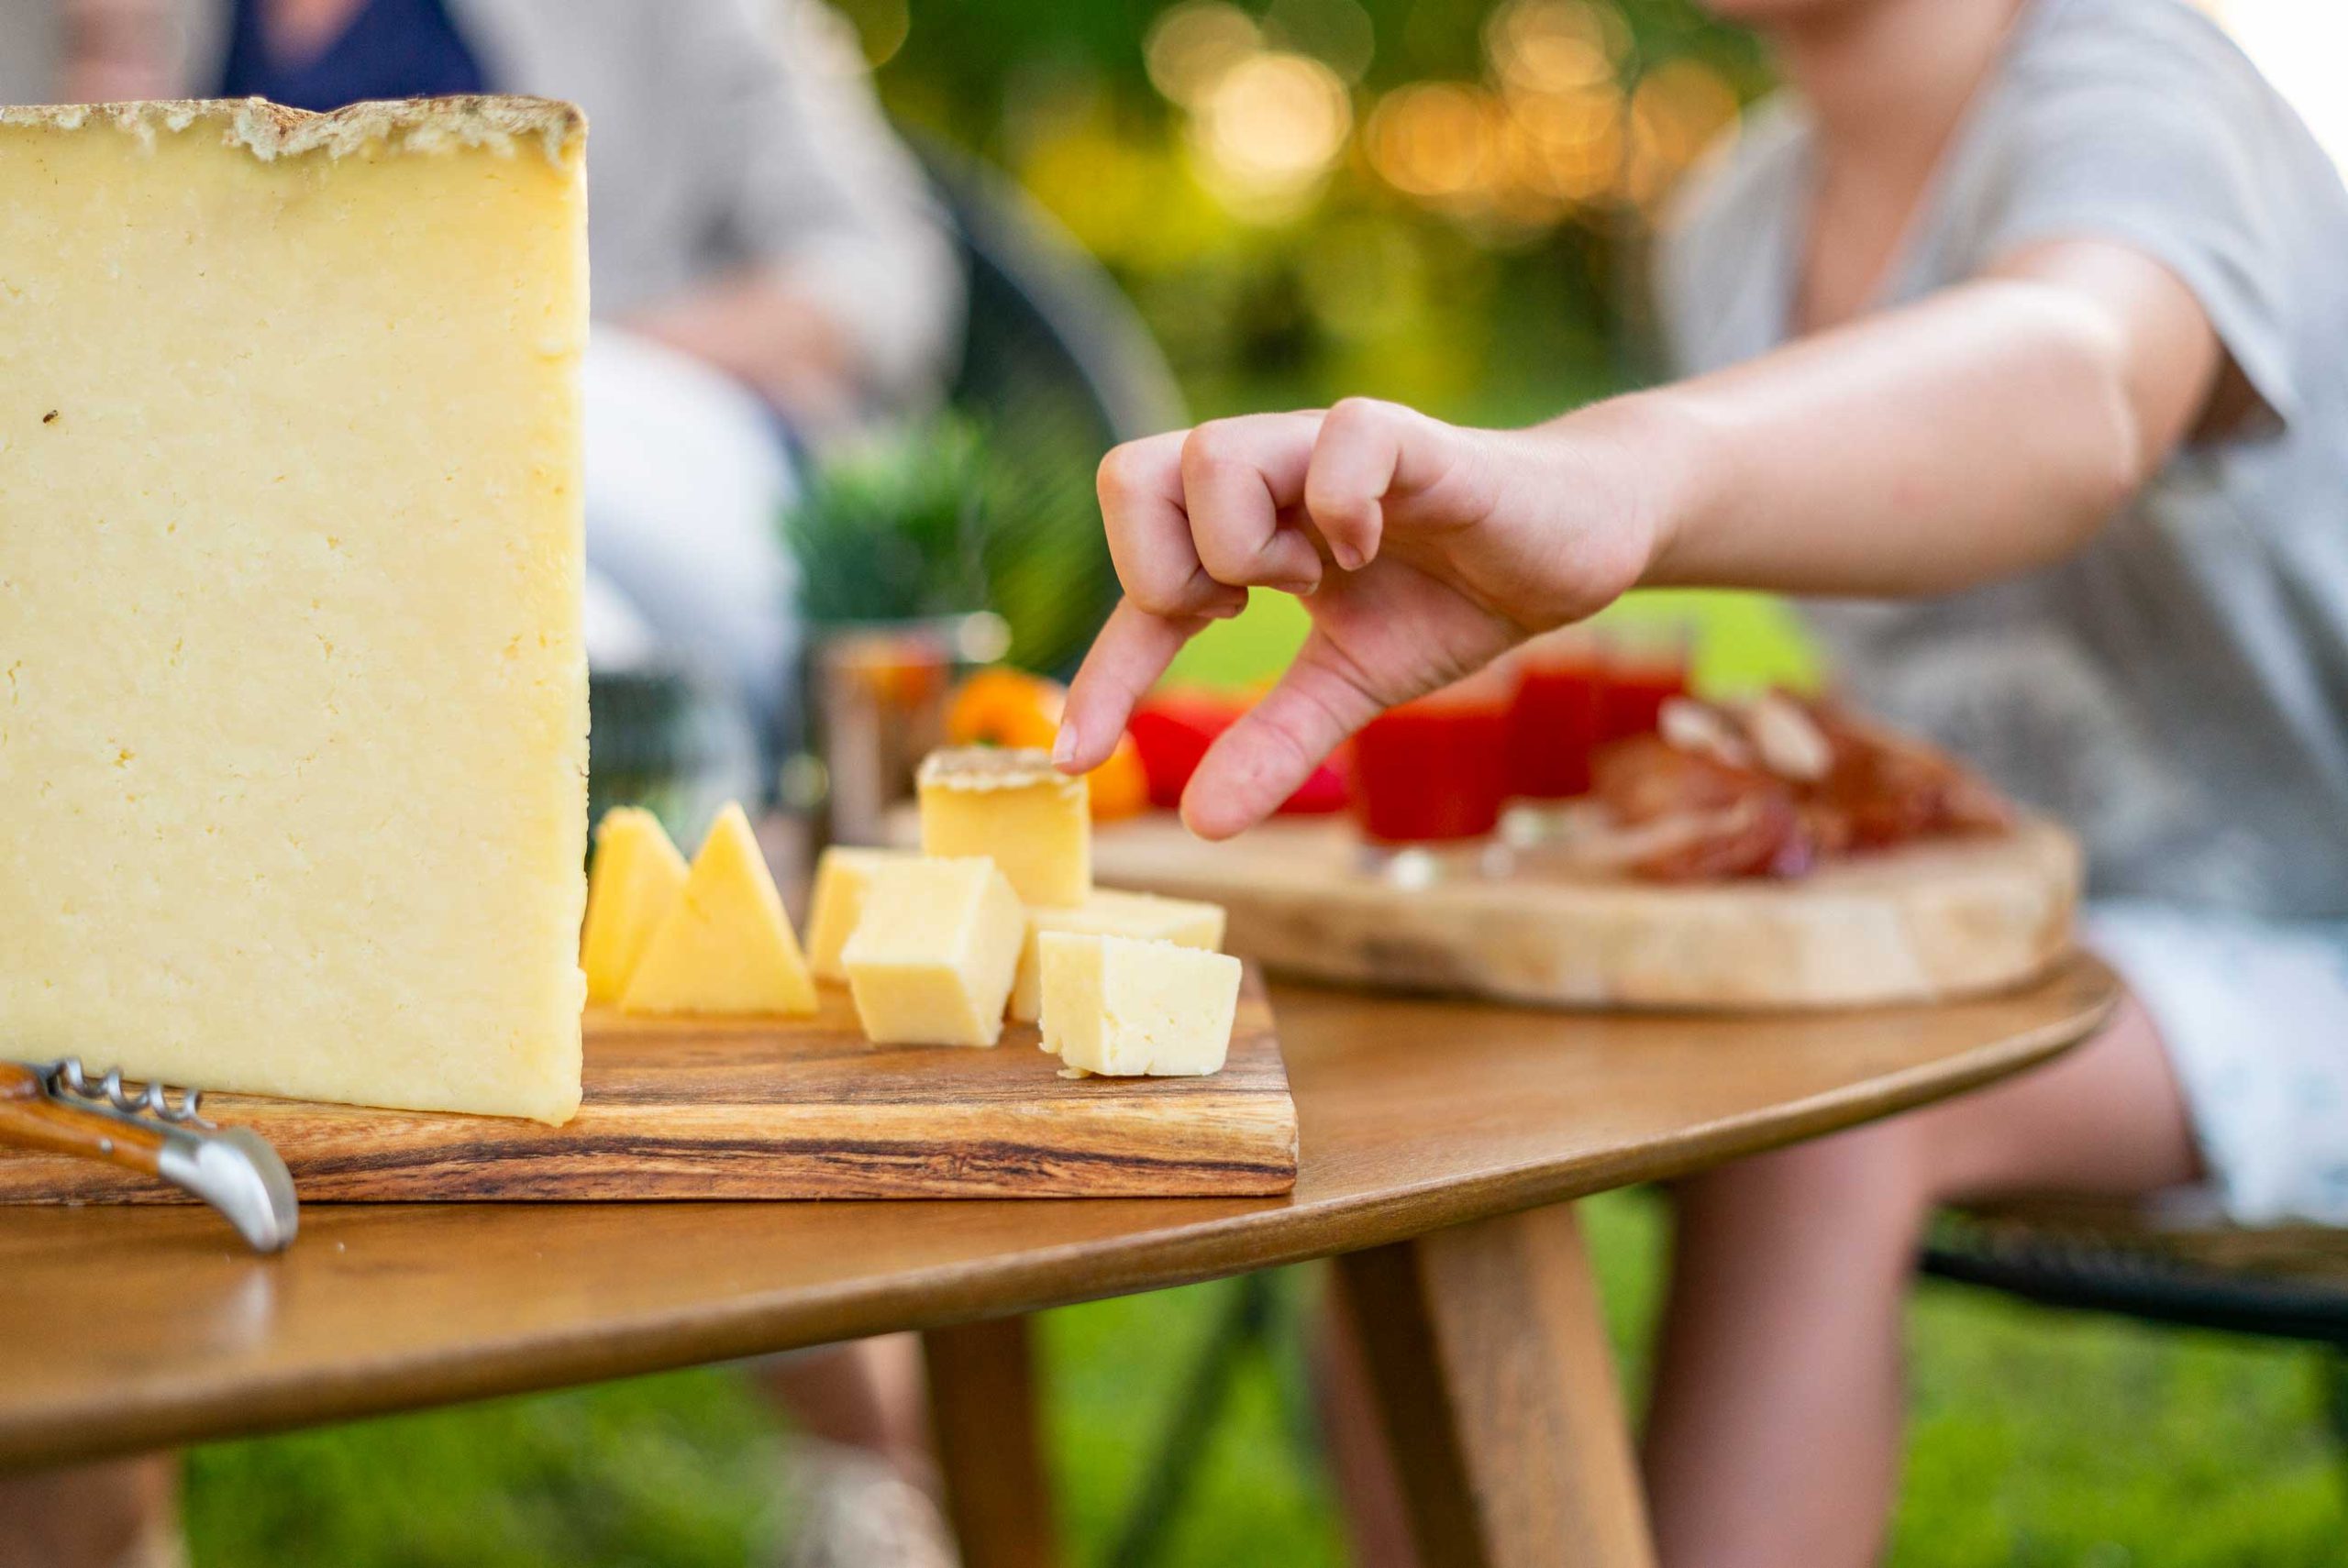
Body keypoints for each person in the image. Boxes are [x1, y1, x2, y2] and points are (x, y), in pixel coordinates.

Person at [1051, 0, 2348, 1562]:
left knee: (1834, 1116)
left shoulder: (2161, 77)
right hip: (2014, 930)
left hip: (2306, 948)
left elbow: (2083, 377)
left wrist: (1625, 474)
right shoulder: (1737, 218)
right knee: (1425, 1048)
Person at [0, 5, 959, 1565]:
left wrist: (531, 332)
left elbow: (883, 276)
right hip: (247, 549)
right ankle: (93, 1487)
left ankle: (867, 1465)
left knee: (543, 602)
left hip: (641, 457)